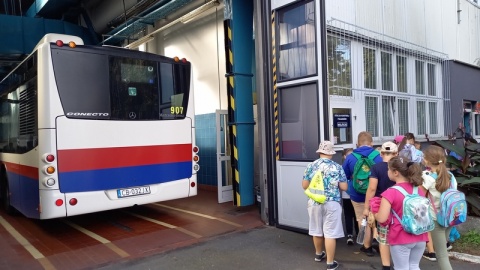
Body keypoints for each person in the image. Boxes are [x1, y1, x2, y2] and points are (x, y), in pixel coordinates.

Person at [371, 156, 429, 270]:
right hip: (420, 234)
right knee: (414, 266)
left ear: (395, 172)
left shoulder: (390, 192)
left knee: (401, 267)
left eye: (388, 169)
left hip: (400, 236)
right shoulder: (419, 189)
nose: (387, 171)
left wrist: (374, 214)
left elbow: (382, 218)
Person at [302, 141, 348, 270]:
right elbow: (344, 187)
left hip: (315, 202)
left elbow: (304, 185)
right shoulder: (338, 167)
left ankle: (318, 254)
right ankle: (330, 262)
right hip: (332, 203)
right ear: (331, 153)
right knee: (330, 233)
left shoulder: (311, 166)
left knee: (316, 229)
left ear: (320, 152)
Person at [342, 131, 382, 256]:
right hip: (376, 194)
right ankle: (380, 243)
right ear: (372, 143)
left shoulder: (350, 157)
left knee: (361, 219)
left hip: (357, 193)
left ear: (357, 144)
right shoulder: (378, 156)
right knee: (377, 218)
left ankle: (367, 246)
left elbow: (345, 176)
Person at [363, 141, 398, 269]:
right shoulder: (400, 167)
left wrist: (366, 208)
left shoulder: (376, 168)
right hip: (398, 204)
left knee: (384, 236)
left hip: (381, 204)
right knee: (397, 231)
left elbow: (372, 189)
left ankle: (386, 265)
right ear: (396, 153)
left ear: (381, 153)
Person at [420, 145, 455, 270]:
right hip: (451, 217)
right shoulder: (450, 176)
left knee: (442, 256)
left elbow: (419, 195)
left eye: (423, 157)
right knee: (443, 248)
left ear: (428, 161)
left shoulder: (428, 177)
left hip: (437, 219)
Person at [341, 148, 358, 245]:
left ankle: (356, 233)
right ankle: (350, 234)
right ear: (344, 156)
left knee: (355, 215)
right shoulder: (357, 166)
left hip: (349, 194)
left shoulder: (342, 167)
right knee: (349, 215)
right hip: (350, 195)